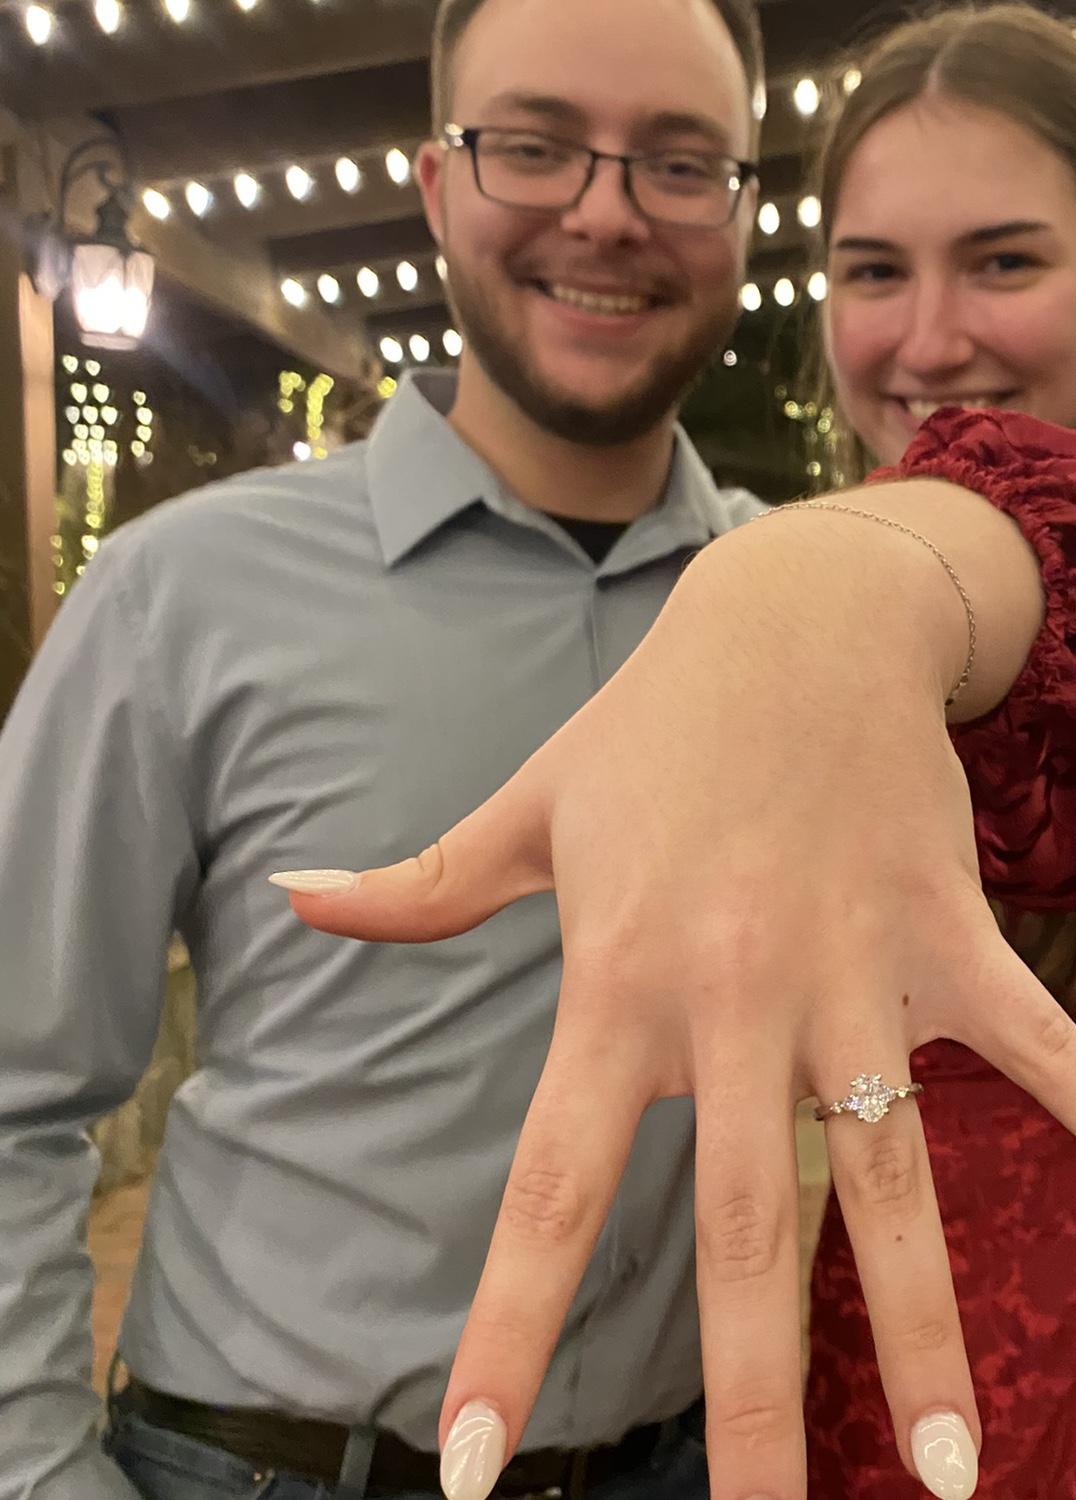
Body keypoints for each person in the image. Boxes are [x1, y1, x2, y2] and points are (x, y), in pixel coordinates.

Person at [283, 7, 1076, 1500]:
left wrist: (835, 573)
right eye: (874, 270)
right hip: (853, 1408)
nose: (932, 338)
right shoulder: (784, 686)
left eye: (1004, 259)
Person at [0, 0, 767, 1496]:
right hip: (264, 1466)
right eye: (534, 147)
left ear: (744, 208)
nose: (606, 216)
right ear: (435, 187)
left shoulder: (789, 616)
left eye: (682, 163)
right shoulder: (184, 594)